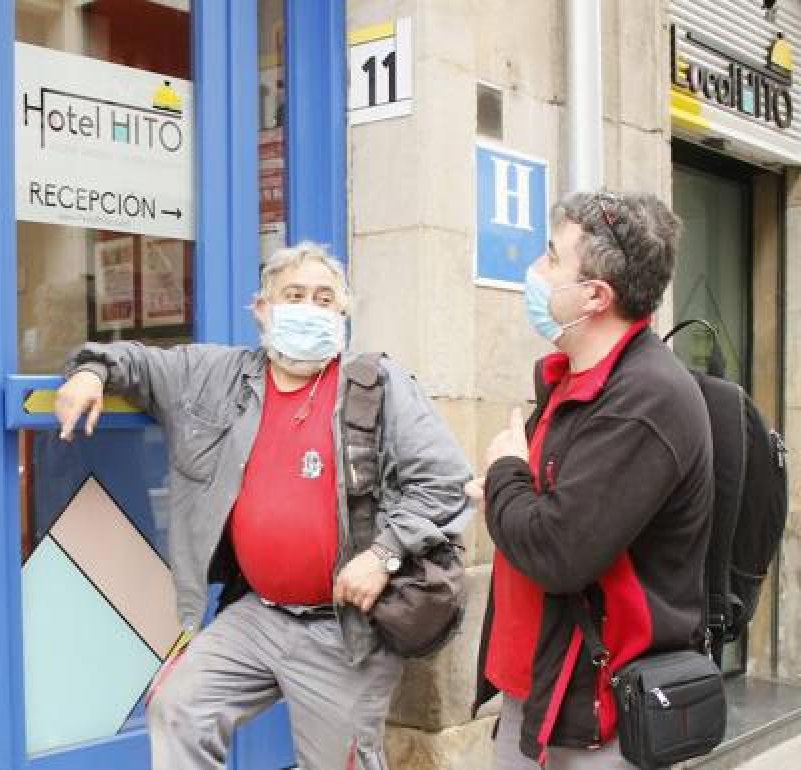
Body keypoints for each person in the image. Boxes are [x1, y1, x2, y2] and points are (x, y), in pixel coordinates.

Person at [55, 242, 472, 769]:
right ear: (262, 308)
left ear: (342, 314)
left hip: (343, 626)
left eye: (324, 298)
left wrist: (384, 554)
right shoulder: (215, 376)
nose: (309, 308)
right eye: (293, 295)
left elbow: (445, 483)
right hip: (259, 611)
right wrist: (91, 373)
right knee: (179, 707)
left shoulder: (377, 387)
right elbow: (133, 361)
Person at [467, 192, 715, 769]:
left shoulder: (645, 400)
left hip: (597, 719)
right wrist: (509, 491)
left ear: (596, 296)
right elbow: (560, 508)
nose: (536, 270)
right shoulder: (577, 380)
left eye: (552, 258)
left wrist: (507, 473)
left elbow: (559, 551)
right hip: (541, 693)